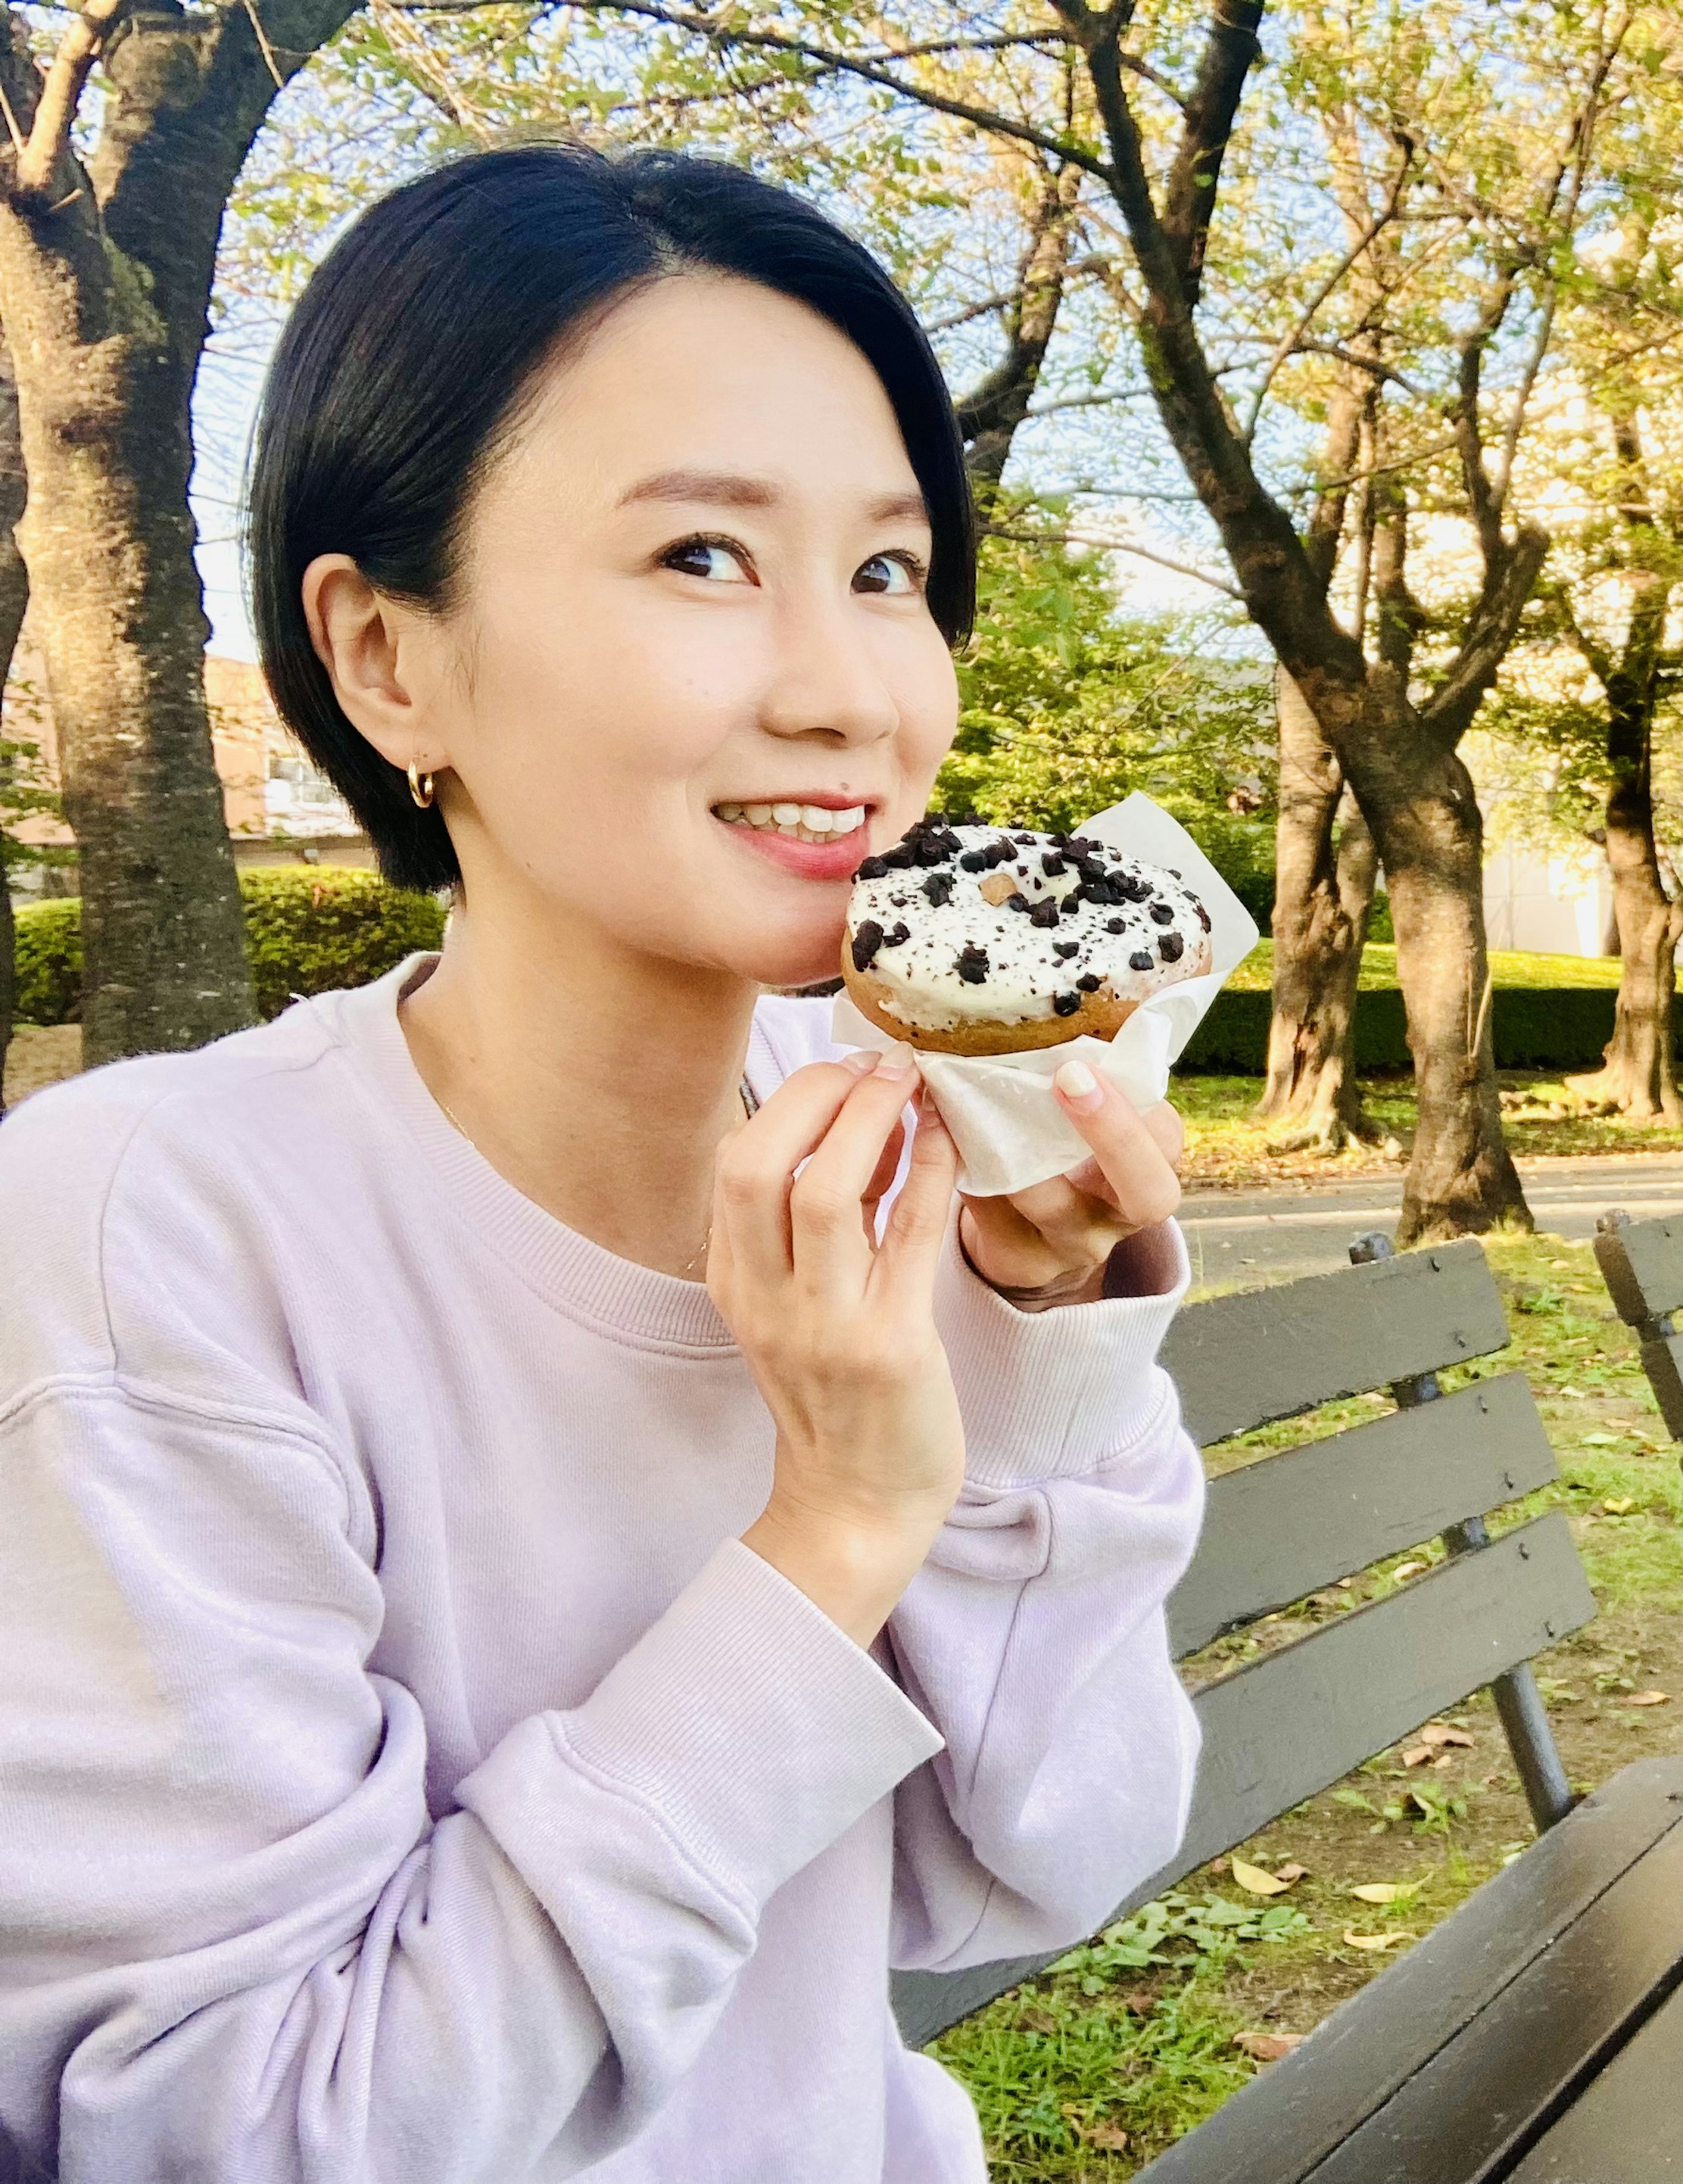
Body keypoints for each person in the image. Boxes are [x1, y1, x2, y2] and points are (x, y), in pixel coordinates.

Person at [0, 144, 1204, 2182]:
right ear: (389, 657)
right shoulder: (151, 1237)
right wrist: (826, 1533)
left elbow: (1031, 1875)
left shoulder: (890, 1141)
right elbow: (244, 2136)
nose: (847, 691)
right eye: (706, 561)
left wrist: (1049, 1352)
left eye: (890, 572)